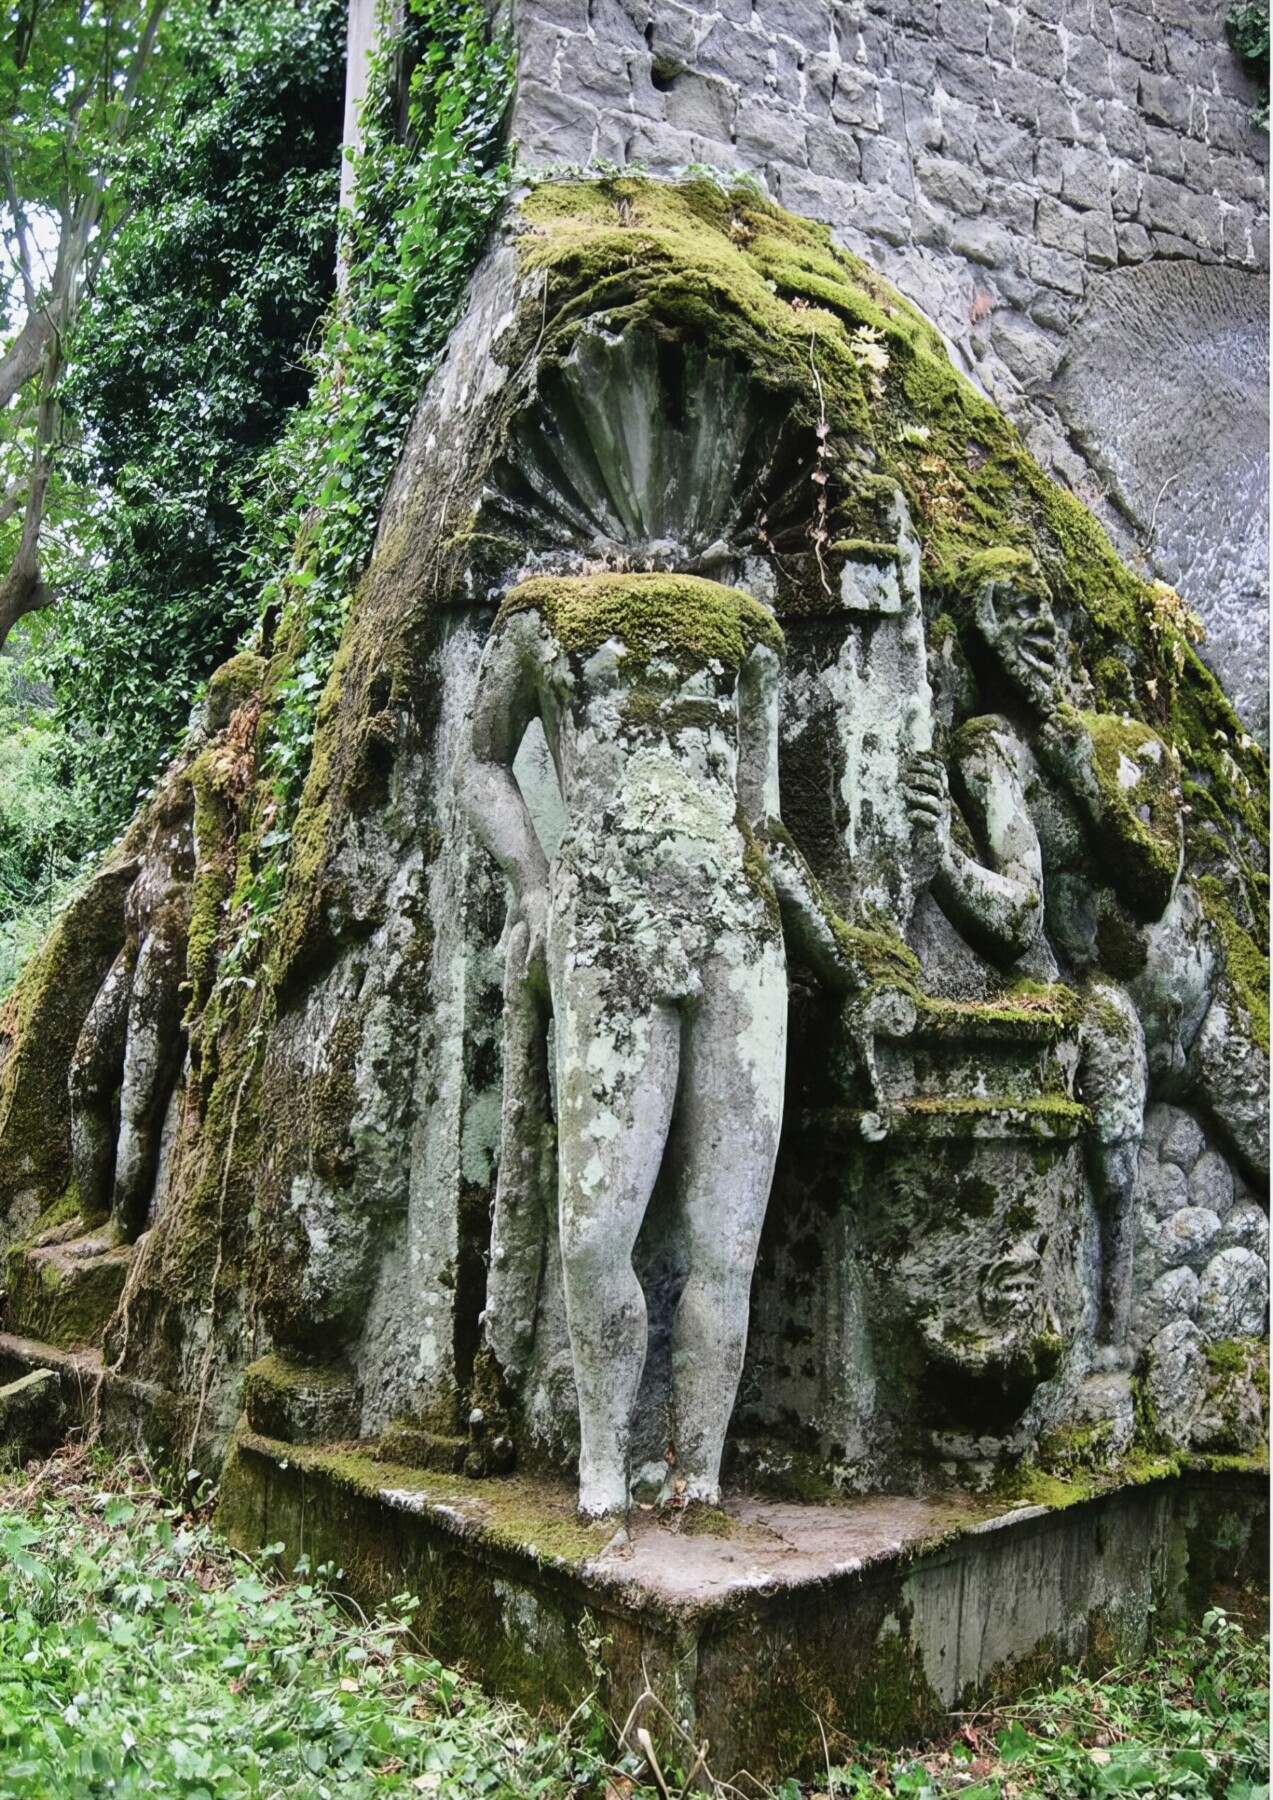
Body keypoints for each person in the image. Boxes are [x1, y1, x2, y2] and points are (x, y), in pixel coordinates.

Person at [466, 570, 834, 1517]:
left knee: (727, 1246)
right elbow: (480, 764)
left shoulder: (749, 633)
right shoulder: (538, 618)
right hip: (604, 915)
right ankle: (601, 1461)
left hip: (736, 926)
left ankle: (698, 1472)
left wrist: (847, 956)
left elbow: (759, 818)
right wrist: (534, 888)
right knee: (596, 1236)